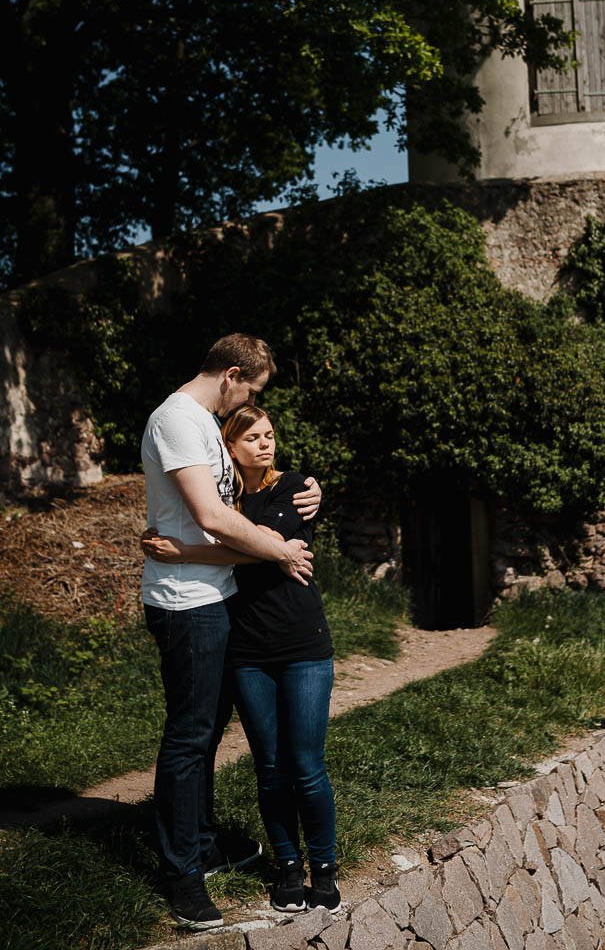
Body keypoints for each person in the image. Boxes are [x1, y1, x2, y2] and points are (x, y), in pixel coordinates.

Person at [141, 333, 321, 931]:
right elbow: (213, 517)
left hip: (215, 593)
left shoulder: (202, 424)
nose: (249, 401)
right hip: (185, 603)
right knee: (190, 737)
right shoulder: (177, 420)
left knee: (208, 734)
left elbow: (239, 509)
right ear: (232, 375)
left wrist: (305, 492)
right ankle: (182, 875)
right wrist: (279, 552)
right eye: (252, 389)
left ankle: (203, 843)